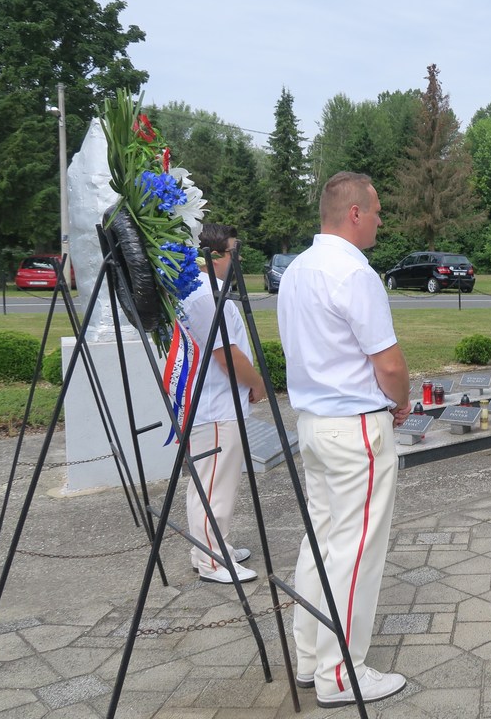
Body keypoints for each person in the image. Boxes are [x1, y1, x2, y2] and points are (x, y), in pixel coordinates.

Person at [278, 172, 410, 706]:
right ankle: (342, 673)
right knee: (356, 553)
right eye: (376, 210)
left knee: (323, 540)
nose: (381, 219)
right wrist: (400, 400)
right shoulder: (354, 273)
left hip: (313, 423)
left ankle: (309, 655)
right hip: (354, 425)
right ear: (354, 213)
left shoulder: (296, 270)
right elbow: (390, 363)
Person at [180, 223, 266, 584]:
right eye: (234, 252)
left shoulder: (198, 289)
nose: (238, 260)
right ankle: (213, 560)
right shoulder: (205, 295)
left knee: (210, 482)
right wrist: (258, 382)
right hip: (215, 405)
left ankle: (213, 548)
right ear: (215, 256)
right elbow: (226, 355)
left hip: (212, 402)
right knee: (214, 484)